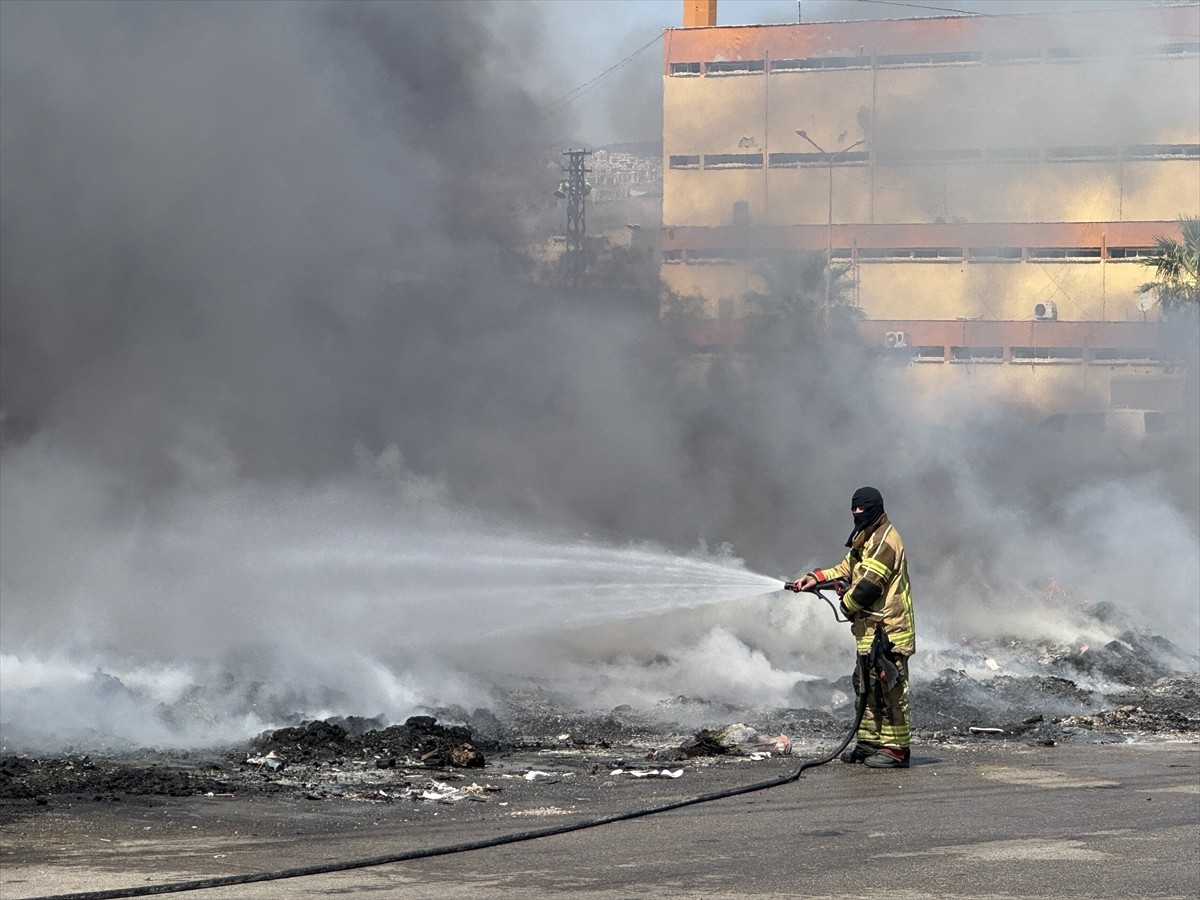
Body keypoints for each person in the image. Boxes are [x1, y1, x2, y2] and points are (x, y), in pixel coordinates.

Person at [785, 486, 915, 769]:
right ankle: (869, 742)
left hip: (889, 632)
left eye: (862, 510)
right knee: (866, 687)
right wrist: (815, 577)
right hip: (869, 631)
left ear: (875, 509)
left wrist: (846, 604)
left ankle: (896, 749)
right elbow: (847, 568)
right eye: (854, 510)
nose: (857, 514)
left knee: (890, 690)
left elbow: (869, 585)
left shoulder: (886, 541)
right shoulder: (866, 536)